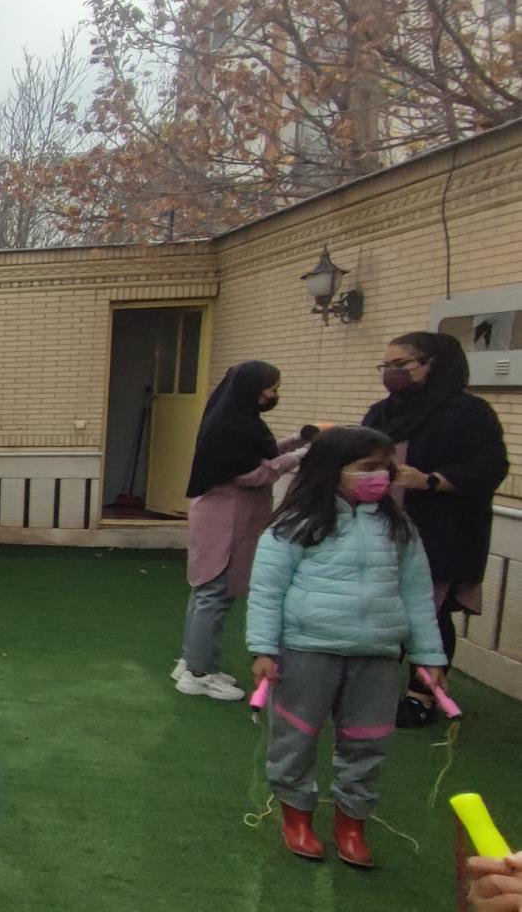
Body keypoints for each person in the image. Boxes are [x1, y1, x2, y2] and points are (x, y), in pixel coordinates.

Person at [246, 426, 448, 868]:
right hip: (306, 650)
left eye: (386, 468)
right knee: (295, 738)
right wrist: (263, 649)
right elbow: (266, 591)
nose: (381, 476)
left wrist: (428, 655)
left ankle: (352, 824)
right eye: (368, 468)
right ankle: (296, 817)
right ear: (333, 470)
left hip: (377, 655)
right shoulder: (295, 524)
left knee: (368, 742)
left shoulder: (399, 528)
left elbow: (417, 594)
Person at [362, 331, 509, 726]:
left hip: (441, 533)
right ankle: (375, 685)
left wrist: (432, 480)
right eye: (386, 366)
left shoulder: (469, 412)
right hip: (382, 529)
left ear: (434, 365)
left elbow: (491, 467)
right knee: (383, 611)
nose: (391, 373)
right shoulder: (381, 413)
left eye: (401, 365)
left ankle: (422, 694)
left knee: (430, 615)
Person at [173, 362, 318, 701]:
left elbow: (258, 457)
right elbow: (252, 474)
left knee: (207, 592)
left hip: (225, 516)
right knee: (214, 593)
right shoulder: (230, 426)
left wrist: (297, 440)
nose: (273, 395)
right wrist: (302, 455)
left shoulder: (237, 420)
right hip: (225, 520)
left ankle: (194, 662)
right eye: (271, 388)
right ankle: (198, 673)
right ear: (251, 388)